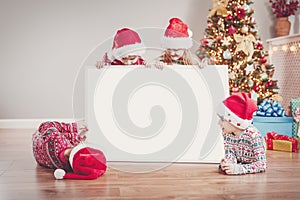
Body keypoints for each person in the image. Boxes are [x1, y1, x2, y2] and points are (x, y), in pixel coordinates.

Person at [32, 120, 107, 180]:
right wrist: (78, 137)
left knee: (57, 132)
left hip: (39, 139)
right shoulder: (68, 168)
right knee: (70, 137)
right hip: (41, 159)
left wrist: (73, 127)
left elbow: (45, 125)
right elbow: (73, 152)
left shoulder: (55, 140)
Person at [218, 92, 267, 175]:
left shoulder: (253, 135)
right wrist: (228, 164)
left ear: (235, 121)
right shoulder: (227, 133)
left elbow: (262, 164)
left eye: (223, 119)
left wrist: (240, 169)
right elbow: (230, 153)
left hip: (250, 168)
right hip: (242, 162)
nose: (219, 123)